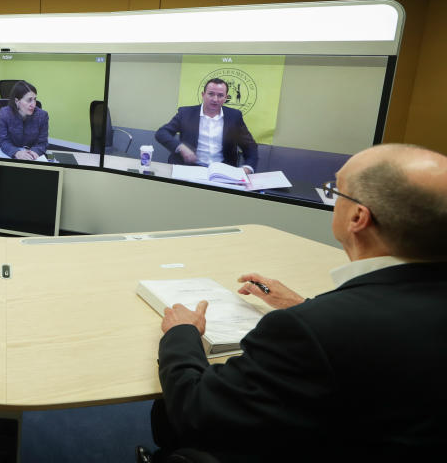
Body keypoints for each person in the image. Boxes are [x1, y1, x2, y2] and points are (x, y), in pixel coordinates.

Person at [147, 144, 447, 461]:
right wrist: (304, 305)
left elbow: (197, 413)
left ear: (358, 217)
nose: (333, 200)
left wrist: (181, 334)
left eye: (337, 192)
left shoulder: (308, 330)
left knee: (166, 410)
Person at [154, 78, 258, 172]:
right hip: (188, 168)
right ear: (203, 95)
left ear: (226, 98)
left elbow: (250, 146)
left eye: (220, 95)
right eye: (211, 94)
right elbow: (162, 133)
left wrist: (248, 168)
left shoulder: (234, 116)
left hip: (222, 171)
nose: (215, 99)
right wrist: (180, 147)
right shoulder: (186, 113)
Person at [0, 80, 48, 161]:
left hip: (32, 156)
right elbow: (3, 141)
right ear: (17, 101)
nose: (33, 104)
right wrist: (16, 153)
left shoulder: (42, 116)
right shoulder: (4, 114)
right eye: (29, 100)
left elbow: (42, 142)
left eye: (35, 99)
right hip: (11, 155)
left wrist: (35, 152)